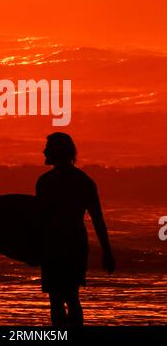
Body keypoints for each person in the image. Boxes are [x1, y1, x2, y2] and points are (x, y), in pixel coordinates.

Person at [35, 133, 115, 326]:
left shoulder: (45, 182)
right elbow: (98, 220)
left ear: (58, 151)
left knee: (57, 299)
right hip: (74, 243)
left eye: (48, 147)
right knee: (71, 297)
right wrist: (107, 251)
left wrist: (34, 249)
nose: (44, 151)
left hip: (56, 245)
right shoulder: (84, 181)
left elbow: (39, 221)